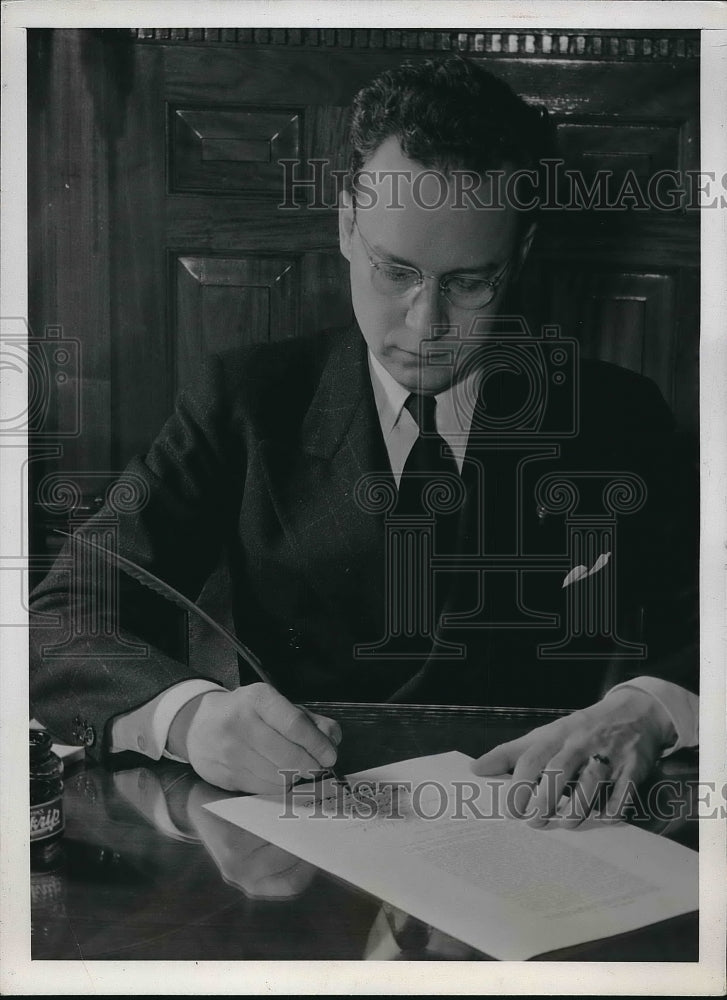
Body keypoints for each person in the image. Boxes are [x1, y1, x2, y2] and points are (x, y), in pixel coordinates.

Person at [30, 56, 698, 825]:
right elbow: (60, 615)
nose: (426, 326)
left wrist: (646, 708)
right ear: (346, 224)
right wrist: (188, 718)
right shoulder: (242, 403)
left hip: (547, 833)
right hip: (308, 841)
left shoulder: (616, 415)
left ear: (516, 256)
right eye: (395, 271)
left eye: (470, 282)